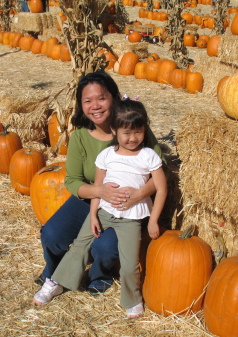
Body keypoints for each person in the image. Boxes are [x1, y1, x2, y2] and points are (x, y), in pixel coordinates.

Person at [33, 98, 168, 319]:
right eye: (126, 133)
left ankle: (132, 300)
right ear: (114, 130)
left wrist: (153, 220)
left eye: (139, 132)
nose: (133, 138)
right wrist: (93, 215)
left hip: (131, 219)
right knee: (79, 247)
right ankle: (55, 281)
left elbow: (161, 189)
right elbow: (98, 188)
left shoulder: (148, 156)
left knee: (129, 263)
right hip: (103, 211)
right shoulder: (106, 155)